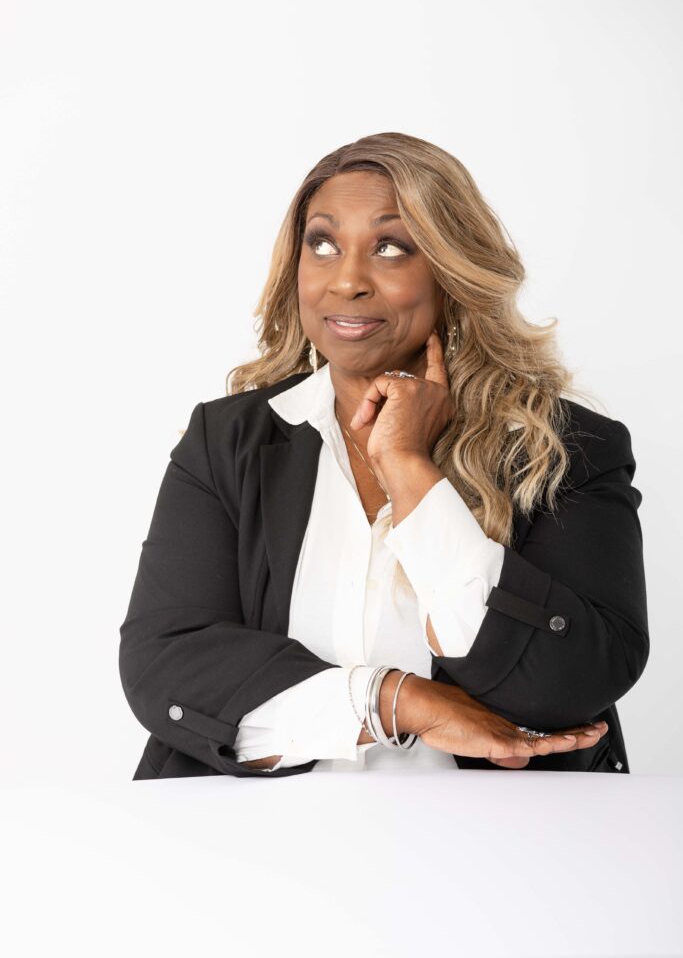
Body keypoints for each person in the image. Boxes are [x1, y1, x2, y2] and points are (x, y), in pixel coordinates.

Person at [119, 132, 648, 780]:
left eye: (390, 247)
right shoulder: (227, 441)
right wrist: (399, 700)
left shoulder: (562, 448)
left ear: (451, 269)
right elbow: (164, 664)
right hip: (253, 851)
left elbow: (570, 682)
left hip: (504, 856)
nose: (346, 280)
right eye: (322, 243)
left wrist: (407, 467)